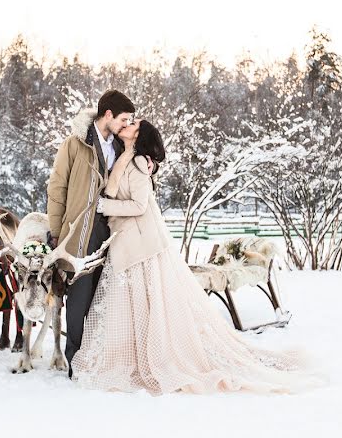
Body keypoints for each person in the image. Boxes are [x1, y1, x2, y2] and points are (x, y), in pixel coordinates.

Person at [71, 118, 321, 395]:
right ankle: (130, 355)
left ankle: (148, 359)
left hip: (140, 244)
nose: (127, 125)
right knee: (131, 308)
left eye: (134, 125)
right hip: (128, 243)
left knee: (142, 305)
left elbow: (140, 205)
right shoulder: (127, 156)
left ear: (139, 136)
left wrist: (106, 206)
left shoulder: (140, 162)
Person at [47, 89, 134, 377]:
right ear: (107, 114)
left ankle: (101, 358)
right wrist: (56, 232)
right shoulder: (74, 145)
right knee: (80, 298)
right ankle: (75, 360)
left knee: (106, 298)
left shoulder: (122, 148)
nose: (125, 125)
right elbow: (57, 189)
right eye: (123, 119)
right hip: (80, 232)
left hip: (113, 232)